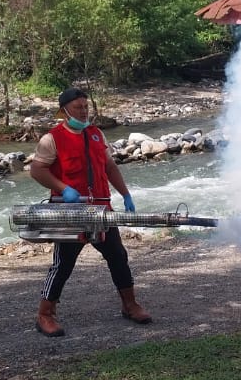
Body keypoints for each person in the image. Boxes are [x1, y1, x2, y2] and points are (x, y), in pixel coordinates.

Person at [29, 85, 152, 336]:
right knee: (63, 264)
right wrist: (63, 189)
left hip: (101, 210)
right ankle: (45, 314)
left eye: (86, 107)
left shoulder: (96, 135)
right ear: (64, 111)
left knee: (118, 256)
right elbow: (37, 170)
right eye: (78, 108)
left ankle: (130, 305)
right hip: (70, 212)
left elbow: (109, 166)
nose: (84, 112)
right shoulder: (51, 139)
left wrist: (125, 194)